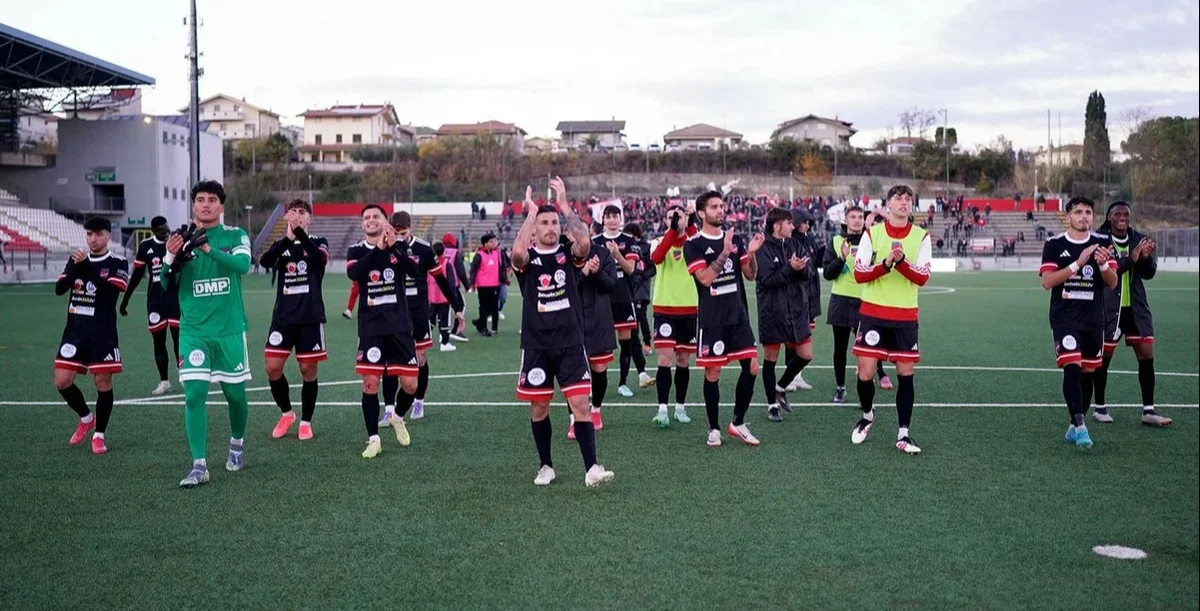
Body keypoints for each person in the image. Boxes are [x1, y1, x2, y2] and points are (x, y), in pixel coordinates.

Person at [510, 179, 614, 487]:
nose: (550, 227)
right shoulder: (527, 260)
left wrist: (565, 204)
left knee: (581, 405)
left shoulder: (569, 254)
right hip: (537, 346)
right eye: (544, 222)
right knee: (539, 406)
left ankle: (592, 467)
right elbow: (517, 254)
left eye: (554, 222)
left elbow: (585, 245)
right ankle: (546, 466)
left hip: (571, 342)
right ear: (535, 228)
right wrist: (531, 213)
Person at [163, 181, 253, 487]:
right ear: (193, 205)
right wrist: (169, 258)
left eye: (212, 200)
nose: (205, 205)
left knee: (236, 397)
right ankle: (199, 465)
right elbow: (164, 284)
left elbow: (242, 265)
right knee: (194, 396)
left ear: (222, 206)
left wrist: (208, 249)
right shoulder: (180, 240)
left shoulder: (234, 235)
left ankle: (237, 444)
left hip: (229, 331)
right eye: (200, 199)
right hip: (193, 331)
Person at [850, 185, 931, 455]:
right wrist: (886, 264)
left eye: (909, 199)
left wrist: (902, 261)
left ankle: (904, 434)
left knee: (905, 375)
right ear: (888, 205)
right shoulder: (872, 234)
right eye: (898, 198)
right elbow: (859, 274)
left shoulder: (921, 236)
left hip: (905, 316)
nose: (904, 203)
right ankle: (867, 415)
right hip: (873, 314)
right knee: (865, 374)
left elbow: (922, 277)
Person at [684, 190, 765, 447]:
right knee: (713, 372)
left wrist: (750, 253)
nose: (720, 210)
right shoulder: (693, 244)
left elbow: (750, 275)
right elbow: (706, 279)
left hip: (738, 316)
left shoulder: (736, 239)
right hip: (713, 319)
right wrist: (724, 252)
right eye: (714, 207)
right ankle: (713, 428)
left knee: (752, 367)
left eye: (722, 206)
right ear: (701, 213)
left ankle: (738, 422)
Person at [1038, 197, 1118, 448]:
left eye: (1088, 212)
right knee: (1071, 366)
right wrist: (1078, 262)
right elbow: (1047, 282)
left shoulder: (1104, 242)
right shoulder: (1054, 244)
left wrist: (1103, 263)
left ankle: (1074, 425)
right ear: (1068, 217)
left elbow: (1112, 282)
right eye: (1078, 212)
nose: (1084, 216)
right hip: (1065, 318)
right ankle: (1081, 424)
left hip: (1093, 319)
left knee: (1088, 373)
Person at [347, 205, 423, 458]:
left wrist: (391, 247)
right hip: (371, 328)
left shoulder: (399, 247)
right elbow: (354, 273)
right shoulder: (356, 250)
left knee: (411, 384)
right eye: (366, 217)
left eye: (375, 217)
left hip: (399, 327)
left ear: (384, 222)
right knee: (370, 384)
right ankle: (373, 439)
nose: (371, 220)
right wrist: (378, 250)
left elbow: (414, 271)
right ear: (362, 225)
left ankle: (397, 417)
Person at [53, 217, 128, 455]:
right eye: (89, 234)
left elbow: (108, 292)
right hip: (74, 332)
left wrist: (85, 267)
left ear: (109, 236)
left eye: (98, 234)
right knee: (62, 381)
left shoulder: (118, 262)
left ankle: (99, 435)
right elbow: (59, 290)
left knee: (102, 383)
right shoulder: (76, 260)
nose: (93, 239)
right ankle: (86, 418)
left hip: (102, 334)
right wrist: (74, 268)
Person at [1092, 202, 1170, 426]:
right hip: (1108, 308)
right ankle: (1100, 407)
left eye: (1126, 214)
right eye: (1117, 214)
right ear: (1109, 216)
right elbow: (1109, 269)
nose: (1122, 217)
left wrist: (1145, 258)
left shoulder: (1139, 239)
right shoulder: (1099, 239)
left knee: (1146, 354)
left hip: (1135, 308)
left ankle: (1148, 410)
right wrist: (1131, 258)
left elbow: (1149, 274)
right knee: (1103, 359)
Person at [379, 211, 461, 422]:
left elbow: (441, 279)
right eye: (395, 233)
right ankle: (389, 408)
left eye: (403, 233)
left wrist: (457, 306)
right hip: (392, 312)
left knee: (420, 359)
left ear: (411, 229)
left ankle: (418, 401)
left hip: (418, 312)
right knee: (389, 362)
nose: (399, 237)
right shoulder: (383, 246)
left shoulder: (424, 249)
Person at [259, 199, 329, 441]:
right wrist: (288, 238)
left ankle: (306, 421)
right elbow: (265, 262)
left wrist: (298, 231)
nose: (298, 216)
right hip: (283, 318)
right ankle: (287, 413)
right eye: (294, 212)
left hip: (310, 317)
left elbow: (319, 260)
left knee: (307, 369)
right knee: (272, 367)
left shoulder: (319, 243)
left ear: (310, 218)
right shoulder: (282, 244)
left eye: (303, 213)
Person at [824, 207, 892, 402]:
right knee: (840, 348)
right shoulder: (836, 242)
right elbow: (828, 273)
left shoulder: (871, 241)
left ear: (864, 220)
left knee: (868, 346)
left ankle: (872, 380)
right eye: (852, 217)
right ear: (845, 220)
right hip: (841, 300)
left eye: (860, 217)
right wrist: (841, 258)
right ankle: (840, 387)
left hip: (865, 300)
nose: (856, 220)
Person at [755, 207, 814, 423]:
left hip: (797, 309)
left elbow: (808, 273)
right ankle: (772, 404)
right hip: (772, 311)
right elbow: (767, 280)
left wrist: (799, 269)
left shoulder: (795, 244)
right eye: (789, 223)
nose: (793, 226)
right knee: (770, 358)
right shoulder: (763, 248)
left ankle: (780, 388)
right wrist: (790, 268)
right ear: (776, 226)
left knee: (806, 354)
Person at [593, 205, 652, 399]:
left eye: (615, 216)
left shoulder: (629, 241)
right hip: (601, 298)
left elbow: (630, 270)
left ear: (620, 219)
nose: (611, 220)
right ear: (603, 220)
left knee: (626, 341)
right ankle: (594, 385)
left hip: (624, 297)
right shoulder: (595, 242)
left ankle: (623, 382)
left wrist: (616, 254)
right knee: (597, 343)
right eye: (608, 217)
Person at [648, 202, 698, 427]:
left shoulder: (692, 241)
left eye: (677, 216)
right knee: (664, 359)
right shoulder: (658, 242)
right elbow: (657, 258)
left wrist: (690, 224)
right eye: (670, 217)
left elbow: (699, 247)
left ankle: (680, 407)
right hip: (664, 309)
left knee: (683, 360)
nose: (674, 220)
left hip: (689, 307)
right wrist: (673, 230)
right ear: (665, 220)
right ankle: (662, 410)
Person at [119, 216, 181, 396]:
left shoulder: (175, 243)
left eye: (167, 230)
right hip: (155, 302)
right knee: (158, 341)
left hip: (175, 299)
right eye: (162, 231)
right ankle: (164, 382)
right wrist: (126, 299)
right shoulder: (146, 247)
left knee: (178, 339)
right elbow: (137, 275)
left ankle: (182, 374)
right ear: (154, 230)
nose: (166, 234)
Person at [568, 220, 618, 439]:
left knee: (599, 370)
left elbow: (611, 285)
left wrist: (596, 272)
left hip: (599, 318)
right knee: (573, 373)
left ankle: (596, 410)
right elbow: (564, 287)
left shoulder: (602, 253)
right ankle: (574, 420)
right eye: (573, 231)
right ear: (568, 234)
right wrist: (583, 273)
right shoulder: (562, 255)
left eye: (582, 231)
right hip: (572, 321)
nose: (577, 235)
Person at [625, 222, 656, 358]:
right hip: (629, 288)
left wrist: (641, 276)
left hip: (642, 289)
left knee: (641, 315)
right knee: (632, 318)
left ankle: (647, 343)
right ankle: (635, 345)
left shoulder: (645, 248)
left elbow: (652, 268)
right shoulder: (625, 247)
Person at [469, 232, 506, 337]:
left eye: (494, 241)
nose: (494, 243)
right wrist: (472, 283)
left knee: (494, 308)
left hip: (495, 285)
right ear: (485, 244)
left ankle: (494, 327)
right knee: (484, 307)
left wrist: (504, 279)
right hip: (483, 286)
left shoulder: (496, 253)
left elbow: (500, 267)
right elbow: (473, 270)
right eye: (491, 242)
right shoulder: (479, 255)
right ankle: (483, 328)